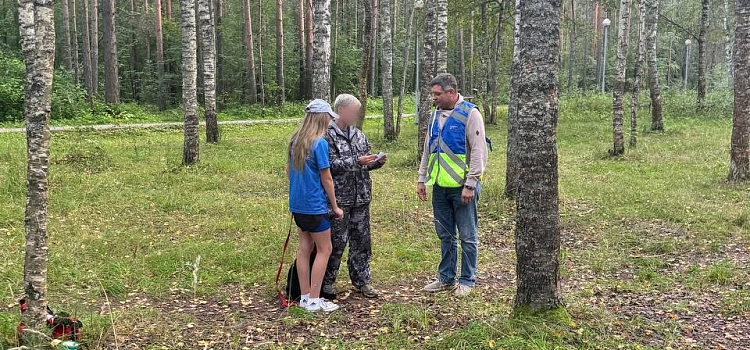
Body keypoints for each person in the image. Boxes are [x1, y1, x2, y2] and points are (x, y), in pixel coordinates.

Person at [417, 73, 488, 297]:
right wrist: (421, 178)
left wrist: (470, 184)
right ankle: (446, 277)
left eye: (437, 94)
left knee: (467, 235)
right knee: (445, 234)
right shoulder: (434, 116)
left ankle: (467, 279)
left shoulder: (470, 113)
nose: (433, 98)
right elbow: (429, 149)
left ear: (451, 92)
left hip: (463, 187)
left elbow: (478, 151)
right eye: (433, 94)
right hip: (440, 186)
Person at [322, 94, 386, 299]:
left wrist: (375, 162)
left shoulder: (359, 135)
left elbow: (364, 163)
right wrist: (355, 161)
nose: (356, 115)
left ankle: (362, 280)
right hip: (339, 199)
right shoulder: (327, 135)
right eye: (353, 111)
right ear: (341, 110)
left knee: (362, 241)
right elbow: (328, 166)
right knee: (336, 242)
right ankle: (326, 282)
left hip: (362, 197)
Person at [287, 99, 345, 312]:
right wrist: (336, 206)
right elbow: (326, 177)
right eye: (329, 118)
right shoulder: (319, 143)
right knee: (324, 249)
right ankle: (313, 299)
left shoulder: (295, 141)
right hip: (315, 206)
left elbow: (288, 172)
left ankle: (303, 297)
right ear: (322, 118)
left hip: (297, 206)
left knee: (304, 249)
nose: (330, 122)